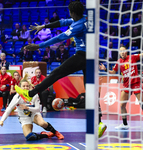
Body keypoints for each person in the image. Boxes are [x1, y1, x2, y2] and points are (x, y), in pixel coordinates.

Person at [15, 1, 106, 138]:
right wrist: (45, 26)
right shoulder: (85, 18)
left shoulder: (77, 25)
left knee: (56, 73)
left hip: (83, 56)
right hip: (92, 57)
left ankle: (32, 92)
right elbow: (63, 22)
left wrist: (40, 46)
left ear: (73, 13)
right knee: (91, 90)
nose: (69, 14)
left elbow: (61, 37)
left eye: (70, 12)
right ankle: (99, 123)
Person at [99, 40, 143, 131]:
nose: (122, 53)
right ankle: (125, 124)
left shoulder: (132, 58)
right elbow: (113, 72)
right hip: (126, 85)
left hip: (136, 83)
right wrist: (105, 69)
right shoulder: (119, 62)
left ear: (126, 52)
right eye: (120, 51)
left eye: (123, 51)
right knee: (122, 105)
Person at [0, 74, 64, 140]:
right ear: (20, 87)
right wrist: (2, 121)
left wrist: (27, 108)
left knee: (42, 123)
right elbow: (9, 108)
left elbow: (37, 109)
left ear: (29, 86)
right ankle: (46, 135)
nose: (25, 88)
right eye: (24, 86)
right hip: (24, 117)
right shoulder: (17, 97)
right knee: (29, 137)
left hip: (34, 114)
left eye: (27, 86)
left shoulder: (34, 94)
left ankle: (55, 132)